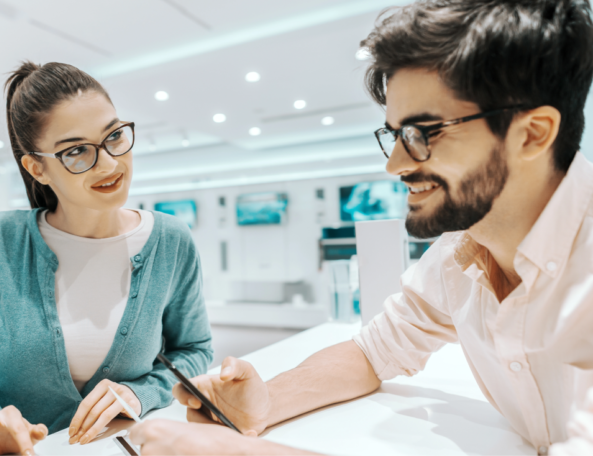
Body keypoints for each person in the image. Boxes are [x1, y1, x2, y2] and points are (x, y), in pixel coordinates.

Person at [130, 1, 593, 455]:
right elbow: (373, 351)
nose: (395, 164)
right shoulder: (464, 250)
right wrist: (266, 402)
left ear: (532, 134)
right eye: (394, 135)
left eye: (422, 133)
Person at [0, 62, 213, 456]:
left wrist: (139, 393)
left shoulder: (171, 241)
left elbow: (194, 352)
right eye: (76, 151)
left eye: (113, 136)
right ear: (37, 167)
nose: (109, 164)